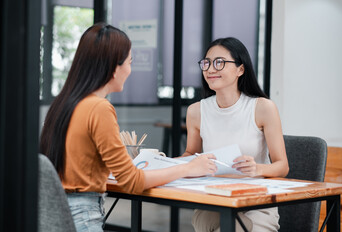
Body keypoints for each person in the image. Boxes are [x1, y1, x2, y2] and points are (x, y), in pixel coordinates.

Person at [40, 22, 217, 232]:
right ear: (115, 67)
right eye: (130, 62)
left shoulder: (64, 104)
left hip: (53, 213)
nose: (130, 70)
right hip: (82, 218)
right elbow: (131, 181)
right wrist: (189, 168)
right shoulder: (99, 108)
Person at [182, 37, 289, 232]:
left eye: (219, 62)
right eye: (206, 63)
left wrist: (257, 169)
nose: (211, 69)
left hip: (255, 202)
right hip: (214, 199)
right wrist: (170, 164)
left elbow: (282, 166)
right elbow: (191, 153)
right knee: (207, 223)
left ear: (240, 69)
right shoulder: (196, 111)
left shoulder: (263, 108)